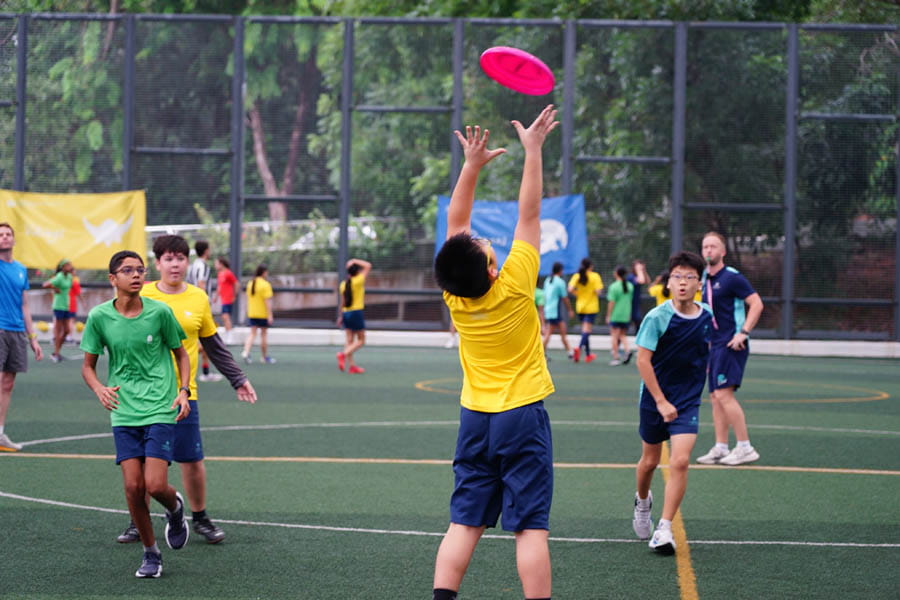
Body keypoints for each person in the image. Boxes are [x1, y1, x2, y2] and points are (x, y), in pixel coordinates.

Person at [431, 105, 558, 600]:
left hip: (474, 418)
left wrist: (471, 166)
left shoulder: (454, 295)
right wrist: (533, 150)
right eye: (487, 249)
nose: (485, 242)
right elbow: (530, 213)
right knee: (529, 527)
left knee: (464, 522)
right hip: (521, 416)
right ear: (491, 270)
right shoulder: (518, 282)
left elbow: (457, 220)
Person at [115, 235, 258, 546]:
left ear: (187, 261)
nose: (175, 264)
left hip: (183, 396)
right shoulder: (142, 293)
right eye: (168, 258)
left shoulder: (198, 298)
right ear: (157, 263)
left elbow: (212, 344)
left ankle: (201, 516)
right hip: (140, 397)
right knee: (138, 465)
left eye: (180, 258)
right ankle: (137, 520)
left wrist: (237, 378)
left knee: (191, 460)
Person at [80, 250, 192, 578]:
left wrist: (183, 390)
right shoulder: (100, 317)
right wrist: (100, 388)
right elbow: (88, 366)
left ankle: (174, 508)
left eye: (140, 270)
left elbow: (180, 354)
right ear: (113, 279)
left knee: (155, 485)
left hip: (160, 406)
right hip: (124, 410)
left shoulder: (160, 313)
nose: (136, 275)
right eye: (127, 270)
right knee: (132, 487)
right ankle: (151, 553)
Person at [632, 251, 712, 555]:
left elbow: (709, 347)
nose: (683, 282)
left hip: (687, 402)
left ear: (698, 284)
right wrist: (661, 401)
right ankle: (642, 502)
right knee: (650, 462)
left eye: (689, 277)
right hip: (655, 399)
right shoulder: (657, 318)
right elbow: (642, 361)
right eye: (677, 276)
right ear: (668, 282)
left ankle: (664, 528)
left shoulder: (707, 317)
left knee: (679, 460)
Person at [695, 231, 764, 466]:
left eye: (713, 247)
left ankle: (745, 447)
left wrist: (743, 332)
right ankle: (721, 447)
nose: (708, 251)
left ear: (722, 251)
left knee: (725, 395)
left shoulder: (732, 277)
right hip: (714, 346)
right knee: (715, 397)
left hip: (731, 344)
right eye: (705, 247)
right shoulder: (703, 279)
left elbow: (756, 303)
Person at [0, 222, 43, 452]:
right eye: (0, 235)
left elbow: (24, 304)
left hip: (17, 331)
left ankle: (0, 434)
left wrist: (33, 338)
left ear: (14, 240)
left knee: (8, 383)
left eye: (8, 234)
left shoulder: (20, 269)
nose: (4, 238)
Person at [185, 241, 219, 382]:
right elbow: (201, 285)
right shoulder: (203, 266)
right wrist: (204, 304)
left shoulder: (191, 266)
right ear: (206, 251)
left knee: (199, 340)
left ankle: (205, 371)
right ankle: (201, 372)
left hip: (189, 305)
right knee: (205, 340)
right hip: (199, 307)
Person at [336, 258, 372, 374]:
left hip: (346, 313)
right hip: (356, 312)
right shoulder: (359, 280)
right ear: (357, 271)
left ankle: (351, 366)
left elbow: (342, 302)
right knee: (361, 340)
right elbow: (368, 265)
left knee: (349, 340)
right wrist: (354, 260)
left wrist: (340, 316)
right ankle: (343, 354)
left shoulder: (343, 284)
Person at [567, 257, 603, 363]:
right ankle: (579, 348)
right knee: (587, 330)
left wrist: (578, 294)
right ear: (590, 266)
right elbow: (598, 292)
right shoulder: (595, 276)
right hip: (591, 307)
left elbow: (569, 289)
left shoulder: (577, 276)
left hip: (580, 306)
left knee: (585, 330)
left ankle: (588, 355)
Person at [42, 258, 75, 363]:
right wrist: (54, 288)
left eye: (70, 265)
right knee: (59, 329)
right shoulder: (59, 276)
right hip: (58, 306)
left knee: (67, 331)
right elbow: (45, 284)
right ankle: (56, 353)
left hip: (66, 305)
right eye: (67, 265)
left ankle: (56, 352)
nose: (70, 267)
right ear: (63, 267)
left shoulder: (70, 277)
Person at [242, 264, 275, 364]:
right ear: (264, 272)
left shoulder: (250, 283)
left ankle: (246, 352)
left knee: (252, 334)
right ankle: (264, 357)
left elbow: (248, 298)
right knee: (263, 335)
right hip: (262, 314)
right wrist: (270, 314)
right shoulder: (265, 285)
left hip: (252, 313)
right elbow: (267, 301)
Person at [542, 262, 573, 360]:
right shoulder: (560, 282)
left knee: (563, 331)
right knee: (549, 334)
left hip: (549, 310)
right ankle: (540, 353)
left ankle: (570, 352)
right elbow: (565, 298)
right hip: (555, 311)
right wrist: (570, 310)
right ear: (560, 270)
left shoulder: (547, 280)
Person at [606, 265, 634, 366]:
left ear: (617, 273)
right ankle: (628, 350)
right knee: (622, 335)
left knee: (614, 336)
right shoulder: (630, 286)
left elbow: (611, 302)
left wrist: (608, 315)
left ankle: (616, 357)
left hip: (616, 315)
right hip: (625, 315)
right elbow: (630, 301)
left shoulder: (614, 286)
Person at [213, 256, 238, 344]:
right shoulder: (220, 274)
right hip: (223, 299)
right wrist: (216, 297)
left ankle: (230, 337)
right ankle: (228, 335)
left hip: (228, 299)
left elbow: (236, 283)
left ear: (221, 264)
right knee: (224, 318)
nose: (215, 265)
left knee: (225, 317)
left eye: (216, 263)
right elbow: (219, 287)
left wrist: (234, 295)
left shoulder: (228, 273)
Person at [627, 259, 649, 333]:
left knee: (638, 321)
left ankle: (638, 340)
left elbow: (647, 281)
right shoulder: (631, 277)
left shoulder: (639, 275)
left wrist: (644, 270)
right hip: (628, 303)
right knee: (626, 323)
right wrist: (639, 270)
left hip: (636, 303)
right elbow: (641, 281)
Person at [66, 268, 84, 344]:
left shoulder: (64, 281)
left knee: (64, 321)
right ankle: (69, 337)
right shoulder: (74, 282)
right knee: (71, 320)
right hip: (71, 304)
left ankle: (63, 336)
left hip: (63, 304)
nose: (75, 273)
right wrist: (83, 302)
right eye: (74, 272)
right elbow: (79, 294)